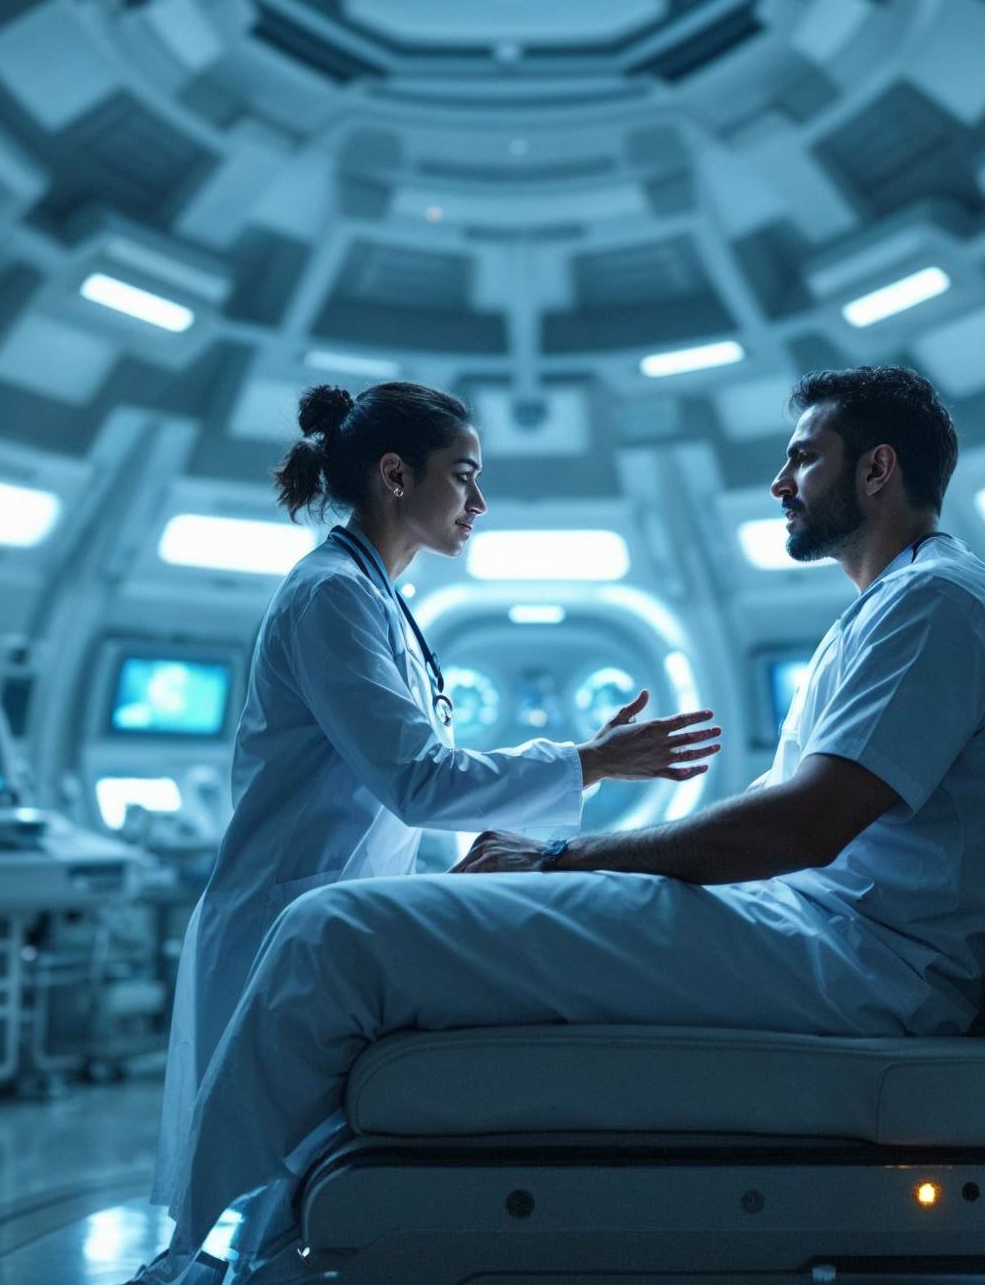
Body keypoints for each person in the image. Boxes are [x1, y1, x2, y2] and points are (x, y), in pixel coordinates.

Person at [151, 365, 985, 1285]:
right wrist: (574, 833)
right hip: (822, 928)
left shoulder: (934, 604)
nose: (779, 483)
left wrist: (560, 856)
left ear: (876, 469)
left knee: (331, 933)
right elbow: (785, 820)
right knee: (337, 928)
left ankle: (208, 1257)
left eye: (802, 458)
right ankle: (229, 1240)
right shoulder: (888, 611)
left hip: (862, 960)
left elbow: (802, 827)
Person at [135, 381, 723, 1285]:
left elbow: (408, 784)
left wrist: (550, 798)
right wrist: (590, 763)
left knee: (276, 1193)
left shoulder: (379, 601)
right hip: (281, 925)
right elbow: (419, 782)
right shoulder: (330, 597)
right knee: (237, 1202)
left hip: (327, 923)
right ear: (396, 475)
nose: (480, 502)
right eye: (465, 475)